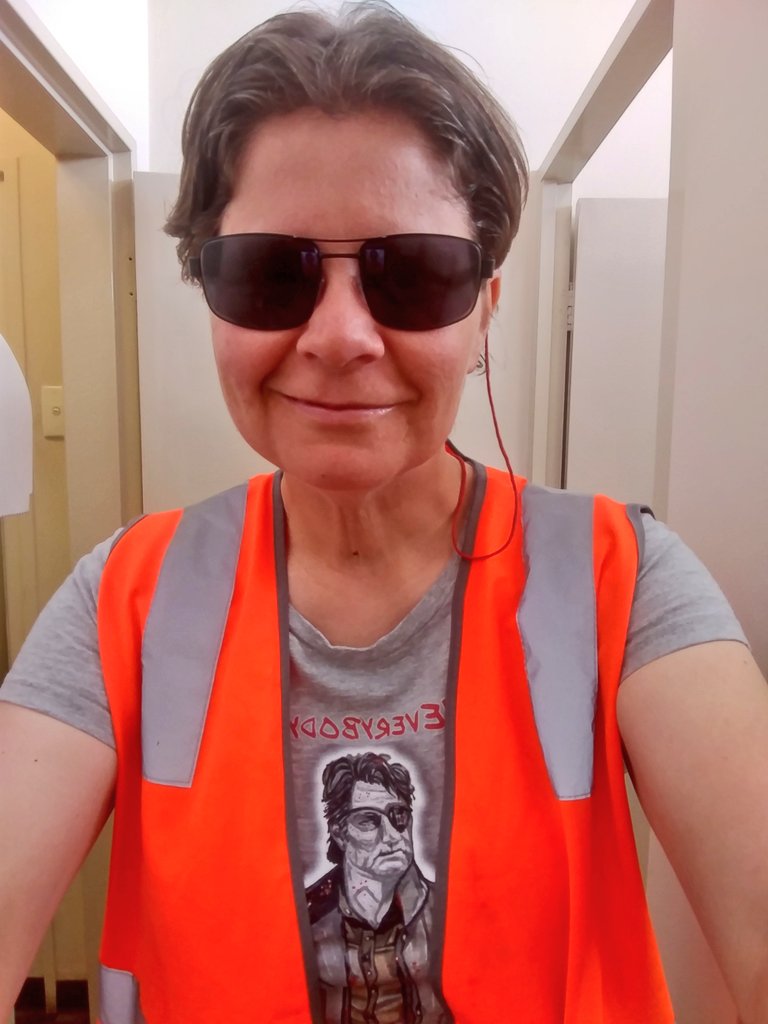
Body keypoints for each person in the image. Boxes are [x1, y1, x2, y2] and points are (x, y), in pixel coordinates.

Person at [1, 3, 767, 1023]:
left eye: (412, 274)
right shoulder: (121, 602)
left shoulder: (625, 579)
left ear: (485, 309)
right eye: (270, 272)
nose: (340, 336)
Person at [307, 752, 436, 1022]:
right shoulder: (308, 915)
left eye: (398, 815)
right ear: (340, 834)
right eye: (368, 820)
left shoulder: (445, 910)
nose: (391, 836)